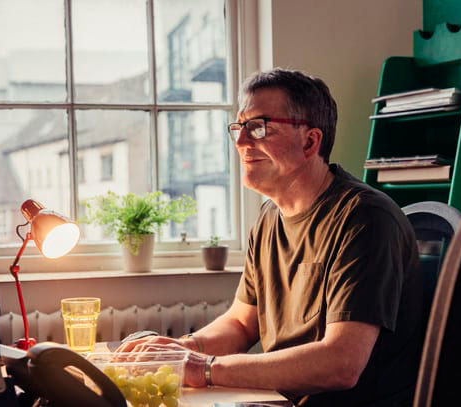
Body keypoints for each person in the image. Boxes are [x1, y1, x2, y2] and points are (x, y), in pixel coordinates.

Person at [117, 68, 423, 406]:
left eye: (259, 127)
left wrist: (205, 368)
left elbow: (342, 363)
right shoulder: (268, 217)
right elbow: (240, 322)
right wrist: (183, 351)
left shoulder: (364, 218)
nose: (241, 141)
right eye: (239, 127)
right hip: (279, 400)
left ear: (310, 141)